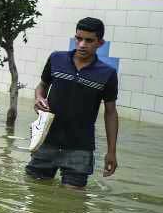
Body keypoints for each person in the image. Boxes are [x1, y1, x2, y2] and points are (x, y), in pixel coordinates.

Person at [26, 17, 119, 188]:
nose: (82, 44)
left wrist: (111, 152)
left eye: (89, 40)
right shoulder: (56, 59)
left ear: (100, 43)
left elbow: (111, 112)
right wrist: (39, 98)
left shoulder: (108, 73)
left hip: (80, 147)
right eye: (79, 38)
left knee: (73, 202)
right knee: (35, 192)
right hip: (47, 141)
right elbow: (42, 85)